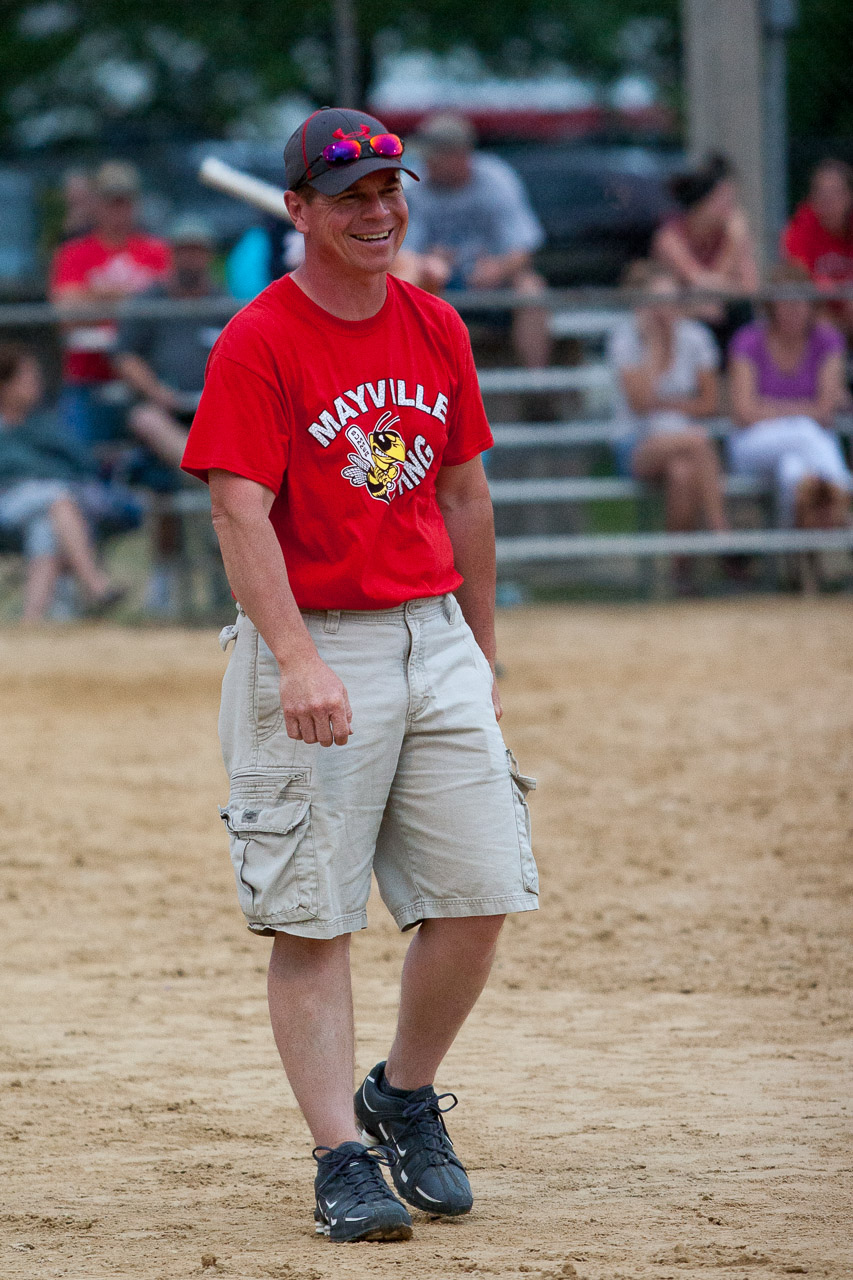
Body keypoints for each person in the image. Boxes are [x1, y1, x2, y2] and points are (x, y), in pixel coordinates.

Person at [181, 105, 538, 1245]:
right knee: (314, 917)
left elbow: (465, 492)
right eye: (350, 198)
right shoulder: (259, 340)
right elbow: (238, 513)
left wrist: (480, 652)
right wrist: (295, 657)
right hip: (317, 636)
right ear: (299, 211)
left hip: (433, 634)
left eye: (389, 191)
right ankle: (341, 1153)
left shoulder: (434, 324)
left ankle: (402, 1093)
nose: (378, 211)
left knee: (480, 893)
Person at [113, 215, 225, 614]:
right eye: (183, 250)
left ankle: (212, 483)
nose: (191, 258)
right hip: (165, 414)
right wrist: (156, 392)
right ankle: (208, 480)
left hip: (215, 413)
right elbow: (124, 357)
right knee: (144, 419)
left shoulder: (225, 303)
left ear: (209, 256)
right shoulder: (149, 303)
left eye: (197, 250)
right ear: (171, 255)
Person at [609, 260, 729, 591]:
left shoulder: (696, 337)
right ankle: (722, 533)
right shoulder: (626, 339)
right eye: (658, 302)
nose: (666, 310)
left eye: (671, 300)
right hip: (635, 444)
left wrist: (666, 404)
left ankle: (680, 573)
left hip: (680, 445)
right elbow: (639, 403)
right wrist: (655, 346)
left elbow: (710, 404)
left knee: (682, 473)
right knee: (698, 439)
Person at [402, 113, 552, 368]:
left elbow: (525, 247)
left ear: (460, 154)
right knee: (408, 284)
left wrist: (499, 268)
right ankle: (419, 379)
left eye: (434, 155)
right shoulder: (414, 185)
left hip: (495, 283)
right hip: (440, 284)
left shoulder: (496, 179)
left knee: (531, 287)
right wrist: (428, 260)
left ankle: (536, 382)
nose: (426, 162)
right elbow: (401, 256)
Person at [728, 262, 852, 558]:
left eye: (799, 302)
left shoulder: (827, 340)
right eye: (784, 303)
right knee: (804, 430)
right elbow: (743, 412)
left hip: (807, 446)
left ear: (811, 306)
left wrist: (770, 409)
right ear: (771, 307)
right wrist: (803, 412)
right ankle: (846, 505)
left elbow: (826, 411)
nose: (792, 310)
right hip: (753, 443)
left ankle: (792, 560)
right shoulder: (748, 340)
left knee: (792, 471)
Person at [0, 343, 127, 621]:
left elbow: (82, 461)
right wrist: (45, 471)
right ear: (5, 386)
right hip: (6, 502)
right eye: (28, 379)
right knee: (57, 497)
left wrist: (41, 470)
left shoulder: (44, 422)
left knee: (45, 526)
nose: (37, 385)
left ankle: (31, 621)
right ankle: (95, 584)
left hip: (44, 504)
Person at [49, 161, 172, 444]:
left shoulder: (158, 251)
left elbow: (167, 308)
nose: (118, 210)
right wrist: (135, 296)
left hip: (149, 379)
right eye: (110, 202)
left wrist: (96, 297)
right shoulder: (74, 253)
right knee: (80, 454)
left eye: (124, 201)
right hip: (87, 377)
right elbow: (66, 310)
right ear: (96, 204)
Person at [652, 153, 759, 350]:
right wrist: (731, 249)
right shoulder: (671, 235)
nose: (731, 207)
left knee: (741, 314)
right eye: (724, 199)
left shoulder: (733, 232)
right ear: (703, 199)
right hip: (683, 321)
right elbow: (698, 280)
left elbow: (749, 288)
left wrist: (735, 242)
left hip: (721, 313)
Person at [782, 159, 853, 339]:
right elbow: (798, 276)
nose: (827, 201)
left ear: (849, 196)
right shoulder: (802, 224)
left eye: (834, 193)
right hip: (819, 311)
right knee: (816, 321)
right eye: (820, 193)